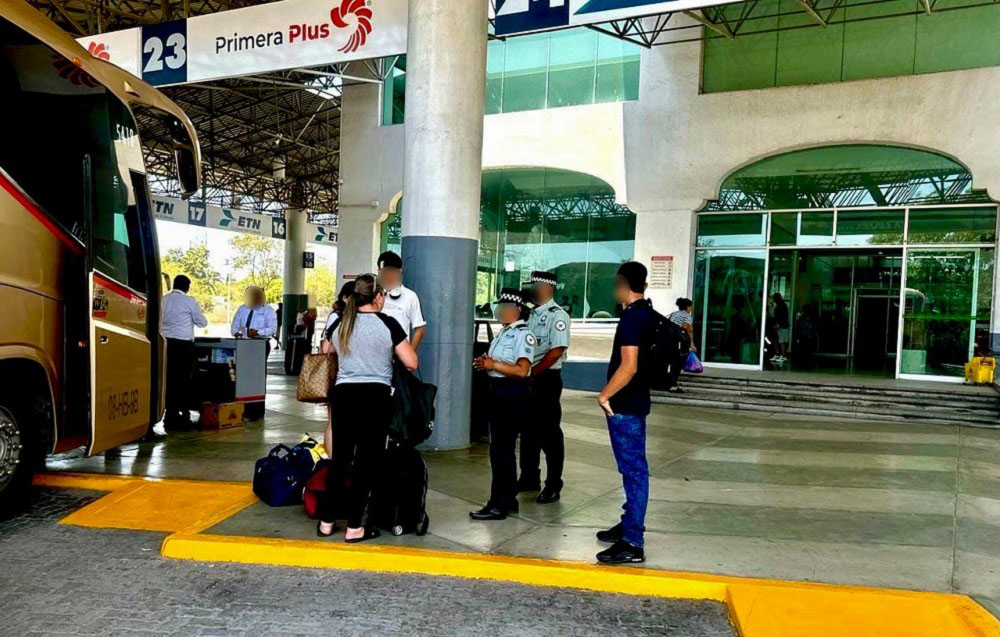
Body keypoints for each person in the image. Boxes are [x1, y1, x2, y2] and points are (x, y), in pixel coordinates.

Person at [317, 273, 418, 542]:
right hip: (375, 396)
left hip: (343, 396)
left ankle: (326, 522)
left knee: (339, 459)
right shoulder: (388, 324)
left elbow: (325, 352)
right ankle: (353, 527)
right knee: (365, 463)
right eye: (382, 295)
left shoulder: (340, 322)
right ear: (376, 297)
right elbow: (411, 362)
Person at [596, 262, 654, 565]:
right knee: (632, 470)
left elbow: (628, 366)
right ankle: (629, 522)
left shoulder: (632, 318)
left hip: (625, 406)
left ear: (622, 283)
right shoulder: (647, 312)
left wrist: (605, 395)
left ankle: (632, 541)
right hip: (636, 402)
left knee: (633, 471)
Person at [470, 288, 535, 521]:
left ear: (517, 310)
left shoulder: (522, 335)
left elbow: (523, 369)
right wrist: (487, 363)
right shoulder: (503, 333)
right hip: (498, 392)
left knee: (502, 451)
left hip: (512, 394)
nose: (500, 311)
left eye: (505, 307)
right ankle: (507, 500)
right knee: (500, 451)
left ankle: (499, 503)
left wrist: (494, 366)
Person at [519, 270, 571, 504]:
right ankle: (529, 477)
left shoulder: (557, 316)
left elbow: (556, 350)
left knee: (549, 433)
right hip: (528, 377)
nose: (532, 290)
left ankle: (553, 484)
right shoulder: (529, 315)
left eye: (535, 286)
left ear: (547, 288)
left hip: (546, 379)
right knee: (528, 431)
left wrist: (533, 373)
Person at [160, 275, 208, 432]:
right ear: (187, 287)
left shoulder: (163, 300)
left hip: (165, 344)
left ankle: (170, 412)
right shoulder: (189, 301)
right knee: (183, 380)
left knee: (168, 379)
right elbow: (202, 323)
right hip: (183, 345)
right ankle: (182, 412)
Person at [320, 280, 356, 457]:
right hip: (338, 375)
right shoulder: (338, 317)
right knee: (334, 422)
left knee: (334, 423)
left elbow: (326, 348)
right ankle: (333, 458)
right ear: (345, 298)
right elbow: (326, 349)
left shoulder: (336, 317)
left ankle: (333, 461)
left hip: (340, 377)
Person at [376, 251, 427, 349]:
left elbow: (420, 328)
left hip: (399, 354)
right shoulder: (372, 294)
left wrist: (409, 353)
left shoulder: (410, 296)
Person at [231, 286, 278, 357]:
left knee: (258, 367)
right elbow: (235, 324)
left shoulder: (268, 310)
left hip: (261, 344)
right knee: (243, 366)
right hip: (243, 343)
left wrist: (258, 332)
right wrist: (235, 333)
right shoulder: (242, 309)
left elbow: (272, 329)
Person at [666, 297, 696, 393]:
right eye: (691, 307)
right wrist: (692, 344)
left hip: (668, 342)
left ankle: (669, 382)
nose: (691, 309)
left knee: (670, 362)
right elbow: (687, 330)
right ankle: (673, 384)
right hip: (679, 344)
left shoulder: (673, 314)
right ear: (687, 307)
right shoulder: (687, 316)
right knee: (677, 364)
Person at [771, 293, 790, 363]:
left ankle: (783, 355)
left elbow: (781, 316)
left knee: (781, 341)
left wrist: (778, 323)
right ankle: (779, 354)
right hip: (782, 325)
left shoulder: (780, 306)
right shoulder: (783, 305)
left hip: (782, 326)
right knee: (779, 341)